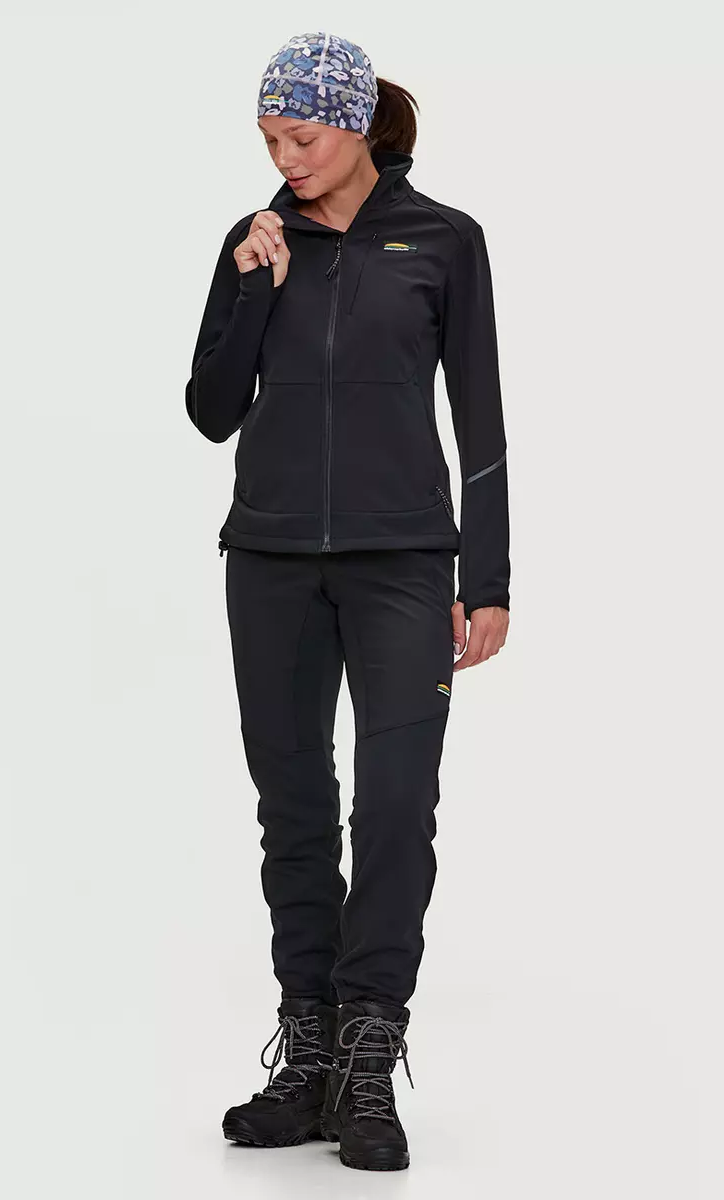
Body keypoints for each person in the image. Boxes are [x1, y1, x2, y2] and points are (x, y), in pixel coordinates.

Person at [184, 30, 511, 1172]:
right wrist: (251, 289)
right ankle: (310, 1057)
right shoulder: (256, 240)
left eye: (303, 138)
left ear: (359, 123)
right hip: (270, 559)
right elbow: (211, 410)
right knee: (293, 809)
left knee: (396, 803)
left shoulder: (445, 241)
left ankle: (369, 1058)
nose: (285, 159)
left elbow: (480, 412)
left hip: (405, 563)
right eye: (269, 139)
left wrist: (488, 578)